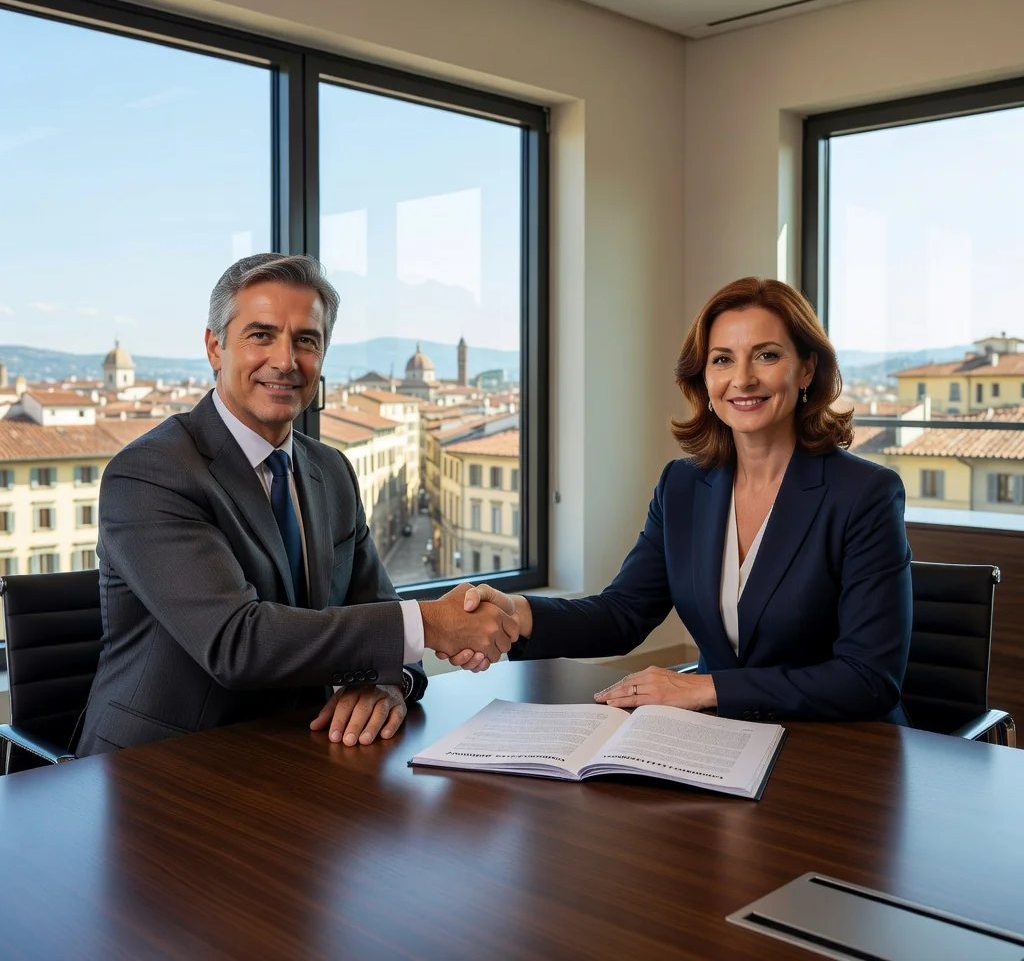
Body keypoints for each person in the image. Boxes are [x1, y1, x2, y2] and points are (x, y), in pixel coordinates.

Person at [78, 254, 517, 755]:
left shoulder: (331, 471)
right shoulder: (151, 473)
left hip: (303, 758)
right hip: (161, 771)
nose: (286, 361)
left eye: (306, 340)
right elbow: (237, 644)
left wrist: (388, 684)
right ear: (215, 347)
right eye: (261, 335)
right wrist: (433, 623)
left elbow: (382, 618)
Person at [446, 277, 913, 724]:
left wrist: (703, 690)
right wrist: (516, 612)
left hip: (846, 754)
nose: (743, 379)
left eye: (766, 355)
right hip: (725, 742)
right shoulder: (684, 487)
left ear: (807, 368)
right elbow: (623, 612)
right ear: (704, 378)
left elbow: (869, 678)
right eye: (723, 360)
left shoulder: (865, 494)